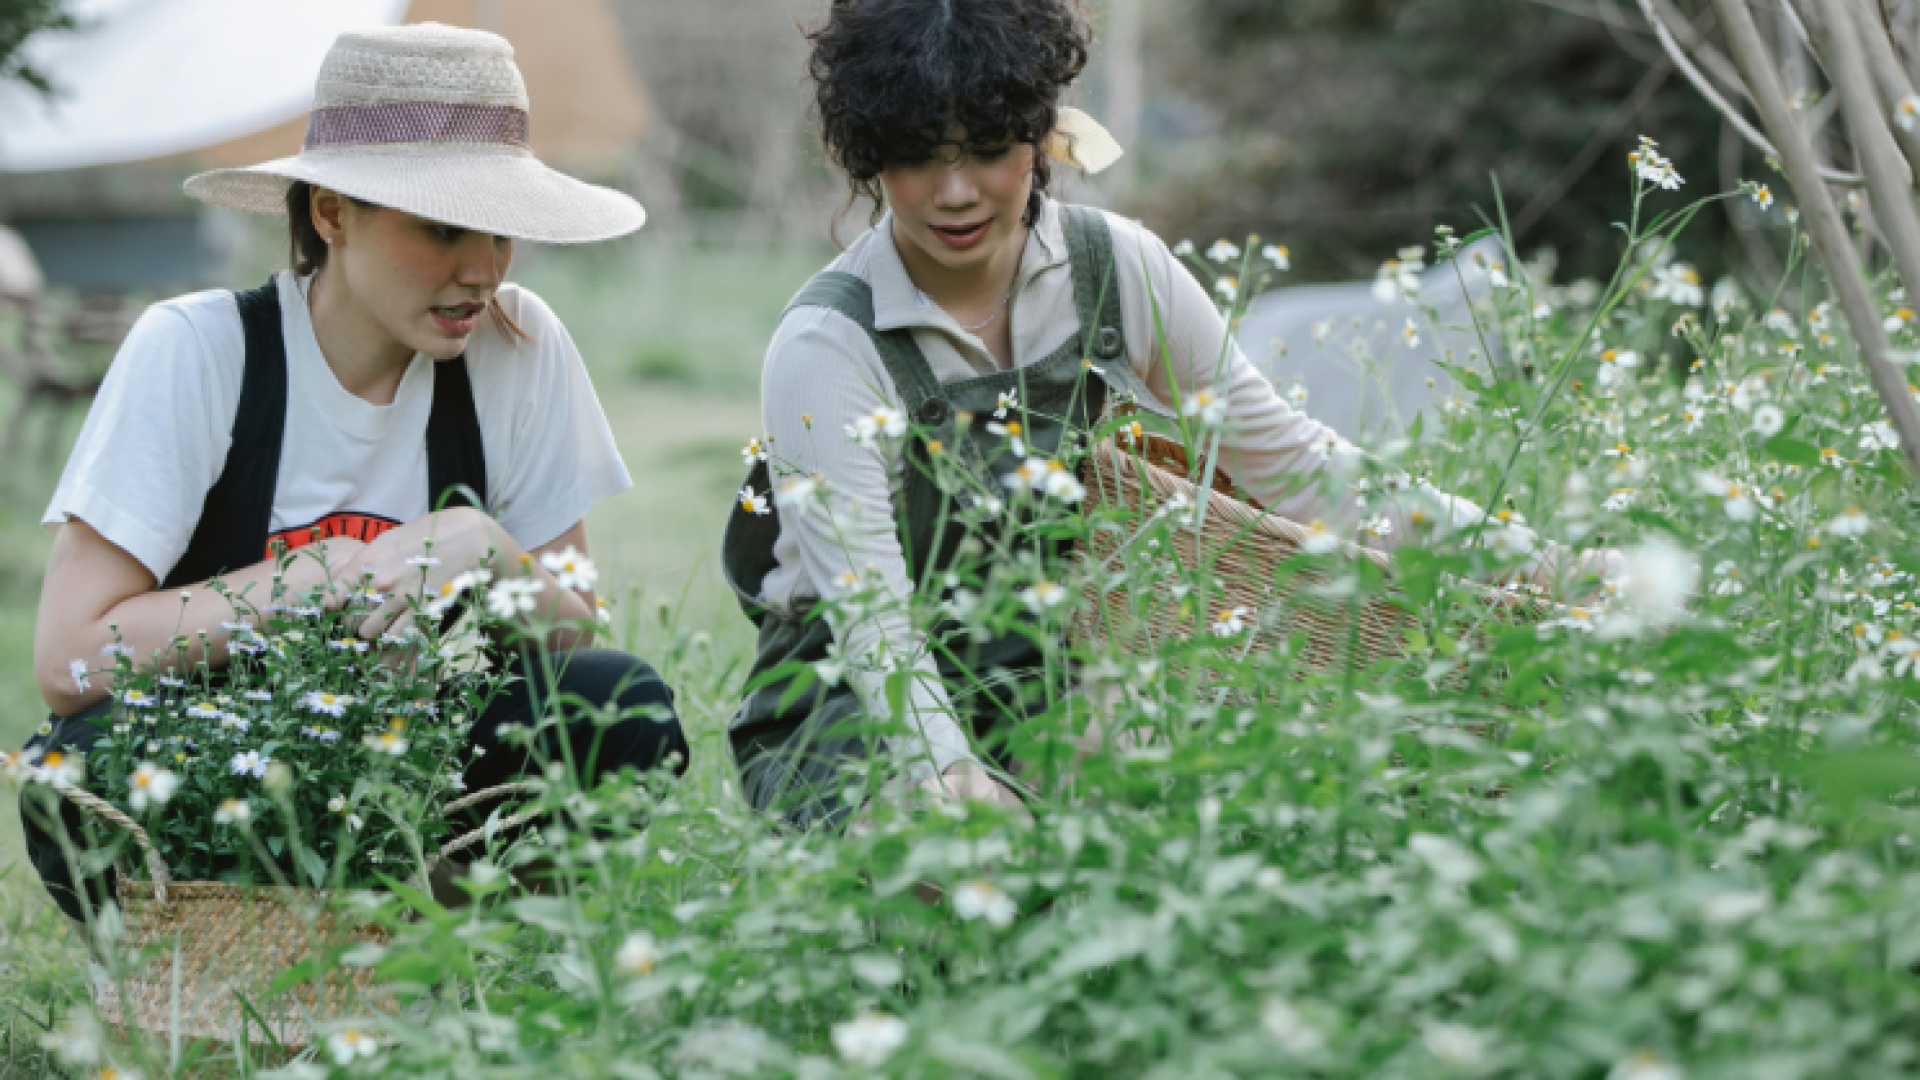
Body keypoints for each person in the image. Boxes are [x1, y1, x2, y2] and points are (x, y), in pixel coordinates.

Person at [723, 0, 1585, 828]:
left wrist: (1547, 569)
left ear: (1039, 134)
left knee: (1167, 816)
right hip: (852, 707)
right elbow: (873, 624)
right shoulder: (827, 347)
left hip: (1045, 673)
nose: (955, 192)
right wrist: (957, 786)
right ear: (870, 153)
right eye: (918, 156)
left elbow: (1296, 465)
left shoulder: (1115, 267)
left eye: (988, 149)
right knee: (948, 860)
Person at [20, 23, 687, 921]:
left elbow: (574, 636)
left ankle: (440, 939)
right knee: (82, 767)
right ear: (331, 213)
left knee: (620, 706)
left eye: (502, 232)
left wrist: (483, 550)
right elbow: (69, 662)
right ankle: (231, 945)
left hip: (422, 754)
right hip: (227, 759)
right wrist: (328, 571)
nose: (483, 269)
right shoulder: (202, 350)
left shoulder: (517, 350)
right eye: (445, 228)